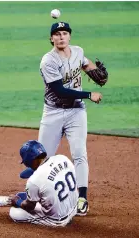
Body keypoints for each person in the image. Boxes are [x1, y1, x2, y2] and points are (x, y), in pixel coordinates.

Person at [37, 22, 108, 216]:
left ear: (70, 37)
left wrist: (95, 72)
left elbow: (85, 63)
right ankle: (39, 197)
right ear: (51, 38)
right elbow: (59, 91)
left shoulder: (77, 51)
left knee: (79, 153)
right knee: (42, 158)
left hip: (76, 112)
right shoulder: (48, 60)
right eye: (57, 34)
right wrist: (88, 94)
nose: (61, 37)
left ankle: (82, 198)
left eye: (65, 33)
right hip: (53, 112)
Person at [9, 140, 78, 227]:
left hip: (58, 219)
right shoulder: (63, 158)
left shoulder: (34, 180)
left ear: (30, 160)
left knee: (14, 212)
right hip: (74, 208)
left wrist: (17, 201)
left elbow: (29, 207)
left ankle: (55, 221)